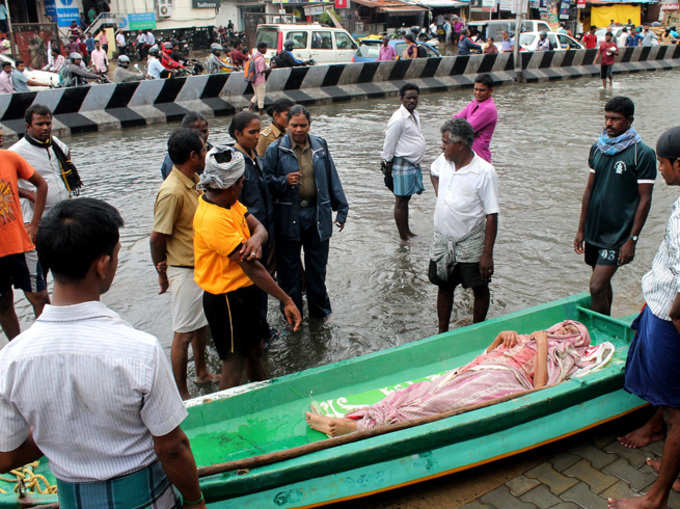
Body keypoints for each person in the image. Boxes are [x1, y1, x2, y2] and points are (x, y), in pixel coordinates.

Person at [0, 198, 206, 508]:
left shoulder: (12, 358)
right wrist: (194, 500)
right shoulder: (139, 350)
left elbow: (6, 455)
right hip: (146, 498)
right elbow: (172, 447)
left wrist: (57, 433)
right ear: (102, 264)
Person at [306, 321, 611, 436]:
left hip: (507, 379)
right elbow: (485, 354)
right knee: (418, 390)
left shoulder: (562, 355)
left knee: (441, 403)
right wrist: (500, 339)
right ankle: (359, 417)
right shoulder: (530, 339)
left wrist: (545, 344)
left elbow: (542, 389)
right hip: (482, 367)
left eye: (570, 334)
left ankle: (358, 428)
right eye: (562, 327)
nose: (562, 332)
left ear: (575, 343)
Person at [608, 127, 680, 509]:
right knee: (666, 398)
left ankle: (656, 498)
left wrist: (674, 317)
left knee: (677, 411)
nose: (661, 170)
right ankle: (659, 436)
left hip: (672, 316)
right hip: (661, 303)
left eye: (664, 164)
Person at [193, 147, 302, 389]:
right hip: (227, 300)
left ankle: (263, 399)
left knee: (255, 350)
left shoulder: (230, 204)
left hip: (247, 293)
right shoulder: (213, 219)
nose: (244, 185)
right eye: (241, 181)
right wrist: (286, 300)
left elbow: (260, 228)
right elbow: (254, 269)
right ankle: (224, 419)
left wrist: (254, 240)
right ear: (232, 185)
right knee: (233, 364)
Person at [150, 129, 218, 400]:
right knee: (184, 333)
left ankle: (201, 372)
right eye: (203, 151)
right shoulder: (172, 191)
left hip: (201, 266)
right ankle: (180, 393)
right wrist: (162, 272)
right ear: (193, 156)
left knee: (201, 326)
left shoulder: (195, 180)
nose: (206, 154)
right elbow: (157, 238)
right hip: (184, 269)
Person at [263, 105, 349, 319]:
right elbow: (265, 182)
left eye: (303, 125)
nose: (299, 130)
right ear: (287, 124)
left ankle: (320, 314)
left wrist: (341, 208)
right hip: (288, 218)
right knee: (288, 271)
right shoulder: (276, 149)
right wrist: (283, 181)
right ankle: (293, 315)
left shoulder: (320, 145)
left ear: (309, 125)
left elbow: (331, 176)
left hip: (316, 215)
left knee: (317, 269)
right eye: (294, 125)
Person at [574, 96, 655, 316]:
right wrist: (581, 229)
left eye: (615, 119)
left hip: (618, 233)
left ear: (629, 121)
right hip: (595, 228)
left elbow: (645, 199)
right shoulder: (598, 148)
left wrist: (632, 239)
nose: (609, 123)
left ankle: (598, 331)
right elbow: (589, 190)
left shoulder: (642, 154)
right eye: (607, 118)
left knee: (596, 285)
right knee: (602, 284)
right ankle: (607, 323)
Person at [9, 104, 81, 317]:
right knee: (38, 288)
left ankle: (65, 319)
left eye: (48, 123)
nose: (45, 128)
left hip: (61, 223)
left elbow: (65, 167)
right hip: (34, 225)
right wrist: (28, 194)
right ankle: (45, 323)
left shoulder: (55, 145)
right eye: (39, 124)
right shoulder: (16, 152)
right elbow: (6, 184)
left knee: (67, 278)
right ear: (27, 126)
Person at [429, 119, 499, 330]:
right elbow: (433, 172)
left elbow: (492, 215)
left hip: (471, 241)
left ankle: (477, 329)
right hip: (443, 240)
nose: (442, 146)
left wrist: (487, 254)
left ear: (461, 145)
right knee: (444, 286)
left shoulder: (485, 172)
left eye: (446, 142)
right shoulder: (443, 161)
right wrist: (441, 196)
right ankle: (442, 332)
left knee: (479, 286)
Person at [0, 139, 48, 341]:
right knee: (3, 304)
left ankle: (46, 343)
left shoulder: (10, 158)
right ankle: (16, 348)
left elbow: (41, 184)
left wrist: (35, 224)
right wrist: (25, 192)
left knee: (40, 297)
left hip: (21, 244)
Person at [382, 83, 426, 241]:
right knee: (400, 200)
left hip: (411, 164)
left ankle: (407, 231)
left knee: (406, 198)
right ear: (401, 99)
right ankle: (403, 237)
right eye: (409, 98)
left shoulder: (414, 115)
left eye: (415, 97)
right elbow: (389, 143)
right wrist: (387, 165)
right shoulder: (398, 119)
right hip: (401, 163)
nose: (412, 100)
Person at [453, 74, 497, 164]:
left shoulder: (488, 109)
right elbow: (455, 119)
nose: (477, 93)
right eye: (476, 89)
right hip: (467, 154)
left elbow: (466, 129)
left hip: (479, 157)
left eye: (482, 90)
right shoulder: (474, 103)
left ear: (490, 91)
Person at [161, 112, 210, 180]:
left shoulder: (211, 149)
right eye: (196, 132)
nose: (202, 136)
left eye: (204, 131)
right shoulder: (174, 160)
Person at [248, 42, 268, 115]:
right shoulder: (261, 59)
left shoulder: (254, 56)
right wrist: (271, 67)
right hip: (260, 80)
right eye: (265, 48)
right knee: (261, 98)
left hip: (253, 79)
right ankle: (261, 115)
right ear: (261, 49)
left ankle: (248, 109)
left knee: (256, 95)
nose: (266, 50)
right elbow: (261, 71)